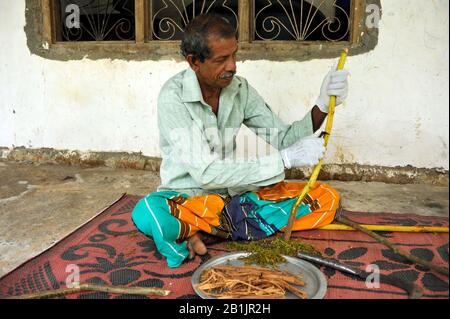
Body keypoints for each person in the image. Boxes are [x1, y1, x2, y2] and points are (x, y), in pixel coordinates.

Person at [132, 14, 349, 268]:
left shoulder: (240, 90)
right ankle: (226, 227)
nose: (233, 66)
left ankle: (208, 232)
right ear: (194, 62)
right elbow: (206, 174)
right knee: (147, 210)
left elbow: (284, 138)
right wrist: (283, 160)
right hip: (187, 201)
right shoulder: (173, 96)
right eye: (221, 60)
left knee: (324, 197)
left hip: (233, 200)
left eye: (234, 55)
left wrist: (322, 104)